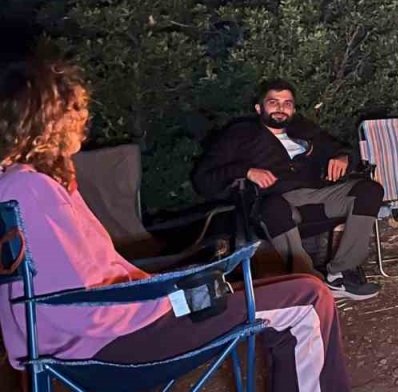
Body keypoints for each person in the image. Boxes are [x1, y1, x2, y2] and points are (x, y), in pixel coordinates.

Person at [0, 55, 351, 391]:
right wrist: (173, 296)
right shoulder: (32, 189)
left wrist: (173, 289)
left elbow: (77, 286)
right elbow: (80, 302)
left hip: (96, 336)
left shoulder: (21, 182)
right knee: (308, 298)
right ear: (50, 119)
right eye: (75, 109)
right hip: (115, 344)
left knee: (273, 287)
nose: (84, 117)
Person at [193, 79, 382, 301]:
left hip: (317, 197)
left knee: (370, 190)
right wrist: (246, 171)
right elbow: (203, 179)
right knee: (275, 207)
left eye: (287, 103)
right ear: (259, 108)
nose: (281, 108)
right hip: (273, 203)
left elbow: (340, 147)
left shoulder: (303, 128)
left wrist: (343, 157)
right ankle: (310, 281)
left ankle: (339, 275)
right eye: (274, 102)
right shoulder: (240, 134)